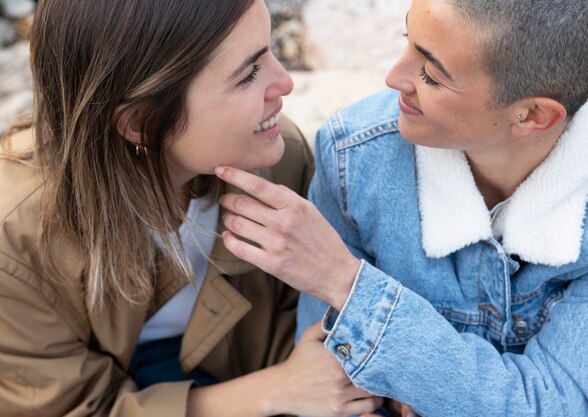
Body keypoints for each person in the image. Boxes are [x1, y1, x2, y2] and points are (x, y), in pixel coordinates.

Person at [215, 0, 588, 415]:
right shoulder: (353, 157)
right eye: (407, 40)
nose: (393, 77)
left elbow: (552, 407)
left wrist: (346, 283)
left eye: (431, 74)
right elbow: (332, 387)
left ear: (534, 115)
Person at [0, 0, 384, 416]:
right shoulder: (14, 238)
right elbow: (63, 408)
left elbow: (298, 330)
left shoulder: (277, 158)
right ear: (141, 122)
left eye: (270, 48)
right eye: (249, 74)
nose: (286, 82)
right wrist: (276, 391)